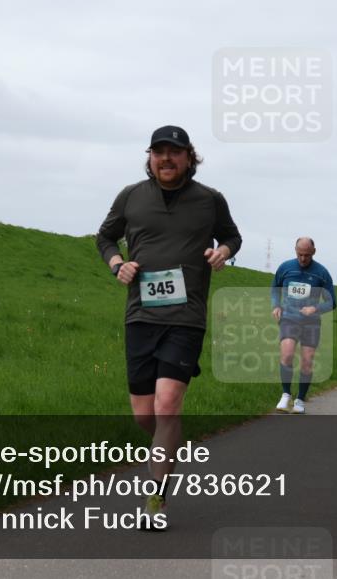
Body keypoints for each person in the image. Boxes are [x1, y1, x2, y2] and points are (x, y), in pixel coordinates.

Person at [96, 125, 241, 522]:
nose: (165, 158)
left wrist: (224, 250)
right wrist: (116, 265)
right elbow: (105, 237)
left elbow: (232, 236)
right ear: (150, 158)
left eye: (174, 152)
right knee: (146, 417)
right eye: (158, 152)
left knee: (167, 405)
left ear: (188, 157)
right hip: (140, 316)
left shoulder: (210, 200)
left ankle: (155, 500)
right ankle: (170, 440)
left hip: (186, 317)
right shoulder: (131, 197)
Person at [271, 238, 337, 414]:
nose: (302, 258)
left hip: (311, 322)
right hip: (289, 318)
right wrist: (276, 305)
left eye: (307, 255)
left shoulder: (322, 273)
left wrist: (315, 308)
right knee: (287, 355)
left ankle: (300, 400)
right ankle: (286, 395)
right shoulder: (285, 268)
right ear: (295, 250)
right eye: (299, 254)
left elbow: (332, 302)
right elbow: (275, 288)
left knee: (307, 361)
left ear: (314, 252)